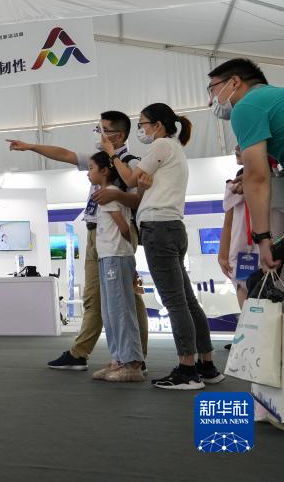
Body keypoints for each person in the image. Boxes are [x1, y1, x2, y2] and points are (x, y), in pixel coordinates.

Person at [8, 110, 149, 371]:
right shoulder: (100, 158)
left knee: (124, 297)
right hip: (98, 233)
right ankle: (95, 353)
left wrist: (115, 200)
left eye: (103, 130)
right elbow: (65, 154)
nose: (98, 134)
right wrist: (30, 146)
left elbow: (139, 199)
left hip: (115, 235)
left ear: (119, 135)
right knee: (101, 296)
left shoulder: (130, 162)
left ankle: (131, 358)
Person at [105, 103, 223, 389]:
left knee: (175, 302)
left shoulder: (161, 146)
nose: (141, 129)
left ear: (157, 125)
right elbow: (142, 184)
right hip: (172, 227)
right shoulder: (174, 149)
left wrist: (112, 154)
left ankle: (187, 370)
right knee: (187, 300)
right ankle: (206, 365)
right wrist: (144, 184)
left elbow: (130, 178)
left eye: (143, 124)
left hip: (158, 229)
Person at [207, 58, 284, 272]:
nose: (210, 101)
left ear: (234, 82)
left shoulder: (246, 106)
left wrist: (263, 239)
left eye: (212, 90)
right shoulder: (273, 97)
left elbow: (257, 178)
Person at [86, 152, 145, 382]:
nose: (88, 173)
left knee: (120, 309)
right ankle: (119, 358)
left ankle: (132, 363)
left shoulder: (109, 194)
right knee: (110, 312)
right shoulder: (105, 194)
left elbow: (124, 227)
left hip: (116, 256)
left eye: (91, 168)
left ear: (104, 171)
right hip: (108, 256)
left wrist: (128, 251)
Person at [218, 148, 252, 309]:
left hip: (270, 254)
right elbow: (228, 223)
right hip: (241, 255)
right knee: (247, 311)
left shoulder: (275, 181)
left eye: (242, 143)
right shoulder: (235, 184)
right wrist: (223, 254)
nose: (236, 148)